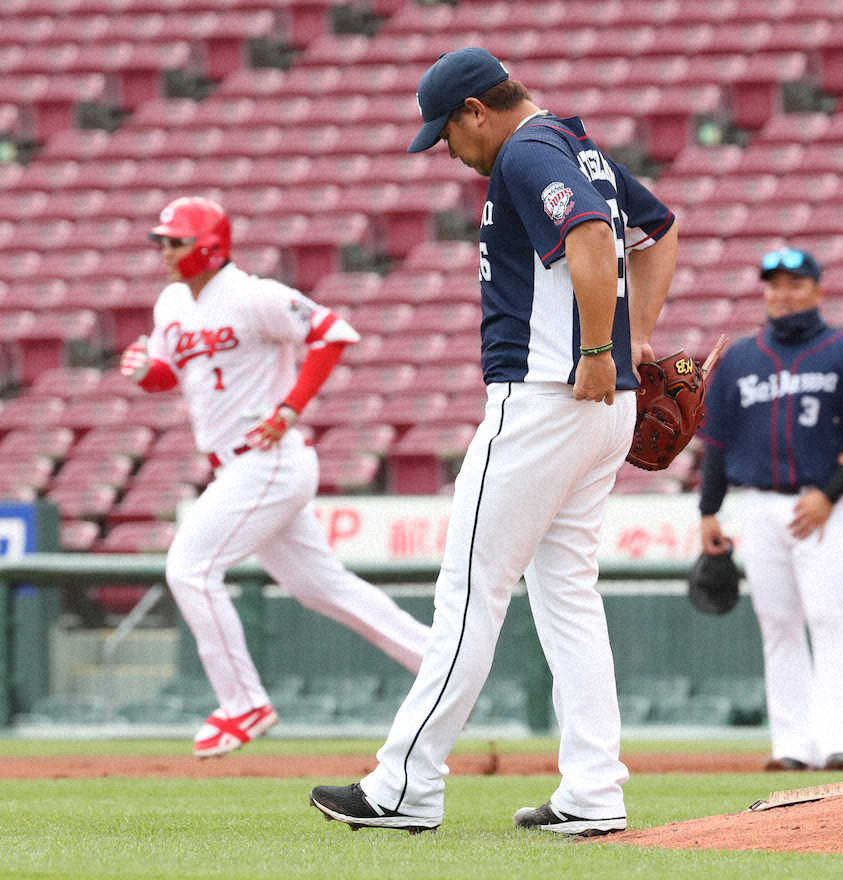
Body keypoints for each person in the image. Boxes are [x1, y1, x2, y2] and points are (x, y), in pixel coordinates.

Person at [309, 47, 678, 836]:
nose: (448, 150)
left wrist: (599, 349)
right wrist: (634, 337)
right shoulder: (581, 149)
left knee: (471, 593)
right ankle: (591, 794)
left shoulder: (525, 150)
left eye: (447, 133)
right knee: (568, 600)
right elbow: (657, 231)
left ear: (477, 109)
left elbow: (585, 231)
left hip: (549, 397)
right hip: (598, 408)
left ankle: (405, 786)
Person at [120, 196, 431, 757]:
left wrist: (289, 407)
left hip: (268, 459)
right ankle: (439, 661)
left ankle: (243, 703)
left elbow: (333, 333)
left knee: (189, 569)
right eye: (162, 240)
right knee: (322, 588)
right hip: (240, 466)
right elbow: (175, 375)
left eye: (175, 240)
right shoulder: (171, 303)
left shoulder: (252, 294)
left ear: (209, 246)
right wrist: (148, 374)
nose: (164, 250)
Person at [697, 247, 843, 772]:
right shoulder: (741, 358)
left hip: (823, 506)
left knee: (829, 619)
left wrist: (830, 492)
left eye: (795, 282)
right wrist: (709, 510)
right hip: (759, 505)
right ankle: (792, 745)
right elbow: (717, 440)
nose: (783, 293)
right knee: (777, 624)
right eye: (774, 283)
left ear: (817, 289)